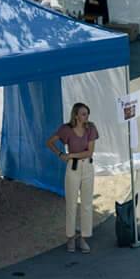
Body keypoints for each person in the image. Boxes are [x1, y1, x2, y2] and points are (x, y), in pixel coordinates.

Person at [47, 102, 99, 254]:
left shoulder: (91, 128)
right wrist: (60, 154)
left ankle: (83, 238)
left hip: (87, 167)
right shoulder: (66, 129)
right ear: (76, 115)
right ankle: (70, 237)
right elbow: (49, 142)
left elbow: (89, 152)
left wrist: (70, 155)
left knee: (87, 204)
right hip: (73, 168)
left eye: (87, 113)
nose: (86, 116)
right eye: (83, 114)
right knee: (71, 203)